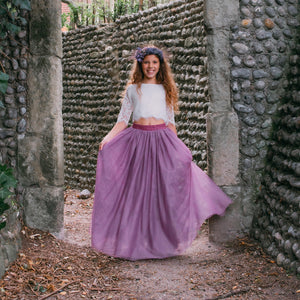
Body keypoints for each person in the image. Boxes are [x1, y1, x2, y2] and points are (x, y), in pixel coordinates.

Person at [91, 45, 232, 260]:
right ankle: (134, 242)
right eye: (146, 62)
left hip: (161, 140)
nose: (150, 66)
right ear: (140, 64)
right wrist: (107, 138)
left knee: (161, 191)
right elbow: (122, 120)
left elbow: (170, 122)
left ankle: (162, 240)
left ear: (160, 65)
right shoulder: (132, 90)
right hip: (137, 142)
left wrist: (177, 147)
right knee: (136, 192)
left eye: (154, 63)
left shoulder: (165, 89)